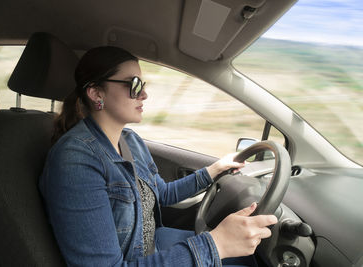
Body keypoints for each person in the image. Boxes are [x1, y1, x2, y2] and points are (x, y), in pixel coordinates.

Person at [39, 46, 278, 267]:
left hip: (154, 243)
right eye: (133, 85)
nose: (143, 94)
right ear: (96, 93)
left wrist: (215, 169)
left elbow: (162, 193)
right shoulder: (76, 161)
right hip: (138, 259)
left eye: (143, 84)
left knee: (247, 259)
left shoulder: (129, 140)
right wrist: (216, 244)